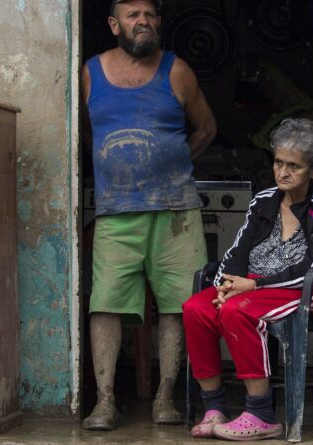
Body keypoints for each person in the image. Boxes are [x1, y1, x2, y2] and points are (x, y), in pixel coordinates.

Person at [80, 0, 216, 431]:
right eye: (132, 15)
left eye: (150, 14)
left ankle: (165, 397)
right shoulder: (91, 72)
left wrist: (173, 165)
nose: (143, 21)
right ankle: (105, 402)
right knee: (105, 304)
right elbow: (84, 131)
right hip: (116, 210)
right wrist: (112, 165)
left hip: (176, 210)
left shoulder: (177, 70)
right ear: (113, 24)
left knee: (179, 305)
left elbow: (206, 128)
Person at [182, 118, 313, 441]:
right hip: (252, 287)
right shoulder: (264, 200)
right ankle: (214, 407)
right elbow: (239, 250)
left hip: (302, 291)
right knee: (196, 308)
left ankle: (261, 414)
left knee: (236, 311)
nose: (283, 172)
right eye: (278, 162)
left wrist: (255, 285)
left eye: (294, 166)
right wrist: (225, 283)